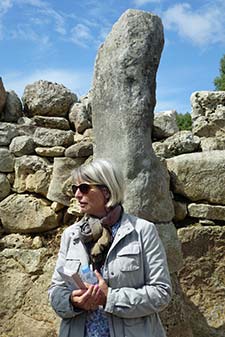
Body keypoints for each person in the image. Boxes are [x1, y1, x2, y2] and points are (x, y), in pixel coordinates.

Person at [48, 159, 172, 337]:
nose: (77, 195)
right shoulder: (71, 235)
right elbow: (56, 291)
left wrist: (110, 298)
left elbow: (161, 292)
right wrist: (73, 301)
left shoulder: (142, 231)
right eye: (74, 189)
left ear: (106, 191)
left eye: (83, 188)